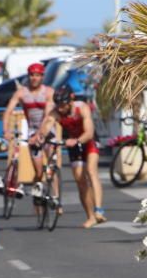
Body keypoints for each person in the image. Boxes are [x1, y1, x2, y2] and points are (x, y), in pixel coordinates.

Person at [38, 88, 105, 228]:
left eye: (63, 105)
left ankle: (98, 209)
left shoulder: (82, 108)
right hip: (73, 144)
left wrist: (77, 141)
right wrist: (42, 136)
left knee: (91, 171)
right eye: (58, 105)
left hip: (88, 141)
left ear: (71, 100)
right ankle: (90, 216)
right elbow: (47, 124)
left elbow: (89, 132)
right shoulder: (56, 112)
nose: (61, 108)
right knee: (80, 181)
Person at [0, 62, 54, 201]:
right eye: (31, 75)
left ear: (42, 76)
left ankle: (56, 197)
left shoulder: (48, 92)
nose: (34, 78)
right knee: (39, 170)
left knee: (52, 166)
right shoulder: (22, 92)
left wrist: (40, 134)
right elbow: (8, 111)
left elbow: (48, 116)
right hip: (32, 131)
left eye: (37, 75)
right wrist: (5, 130)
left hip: (47, 130)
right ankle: (38, 192)